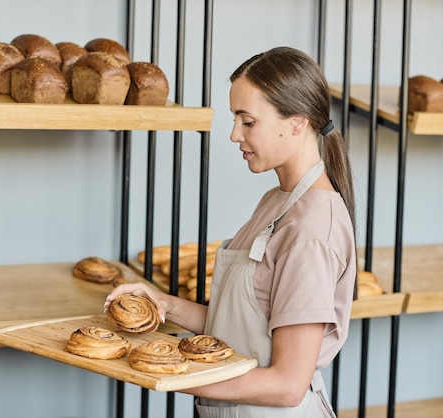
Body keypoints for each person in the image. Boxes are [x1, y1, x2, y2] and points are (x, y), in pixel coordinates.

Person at [105, 46, 357, 418]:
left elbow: (287, 385)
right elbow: (244, 327)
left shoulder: (313, 227)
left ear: (298, 122)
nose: (234, 134)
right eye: (234, 119)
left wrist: (161, 372)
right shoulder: (278, 200)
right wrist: (164, 304)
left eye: (248, 121)